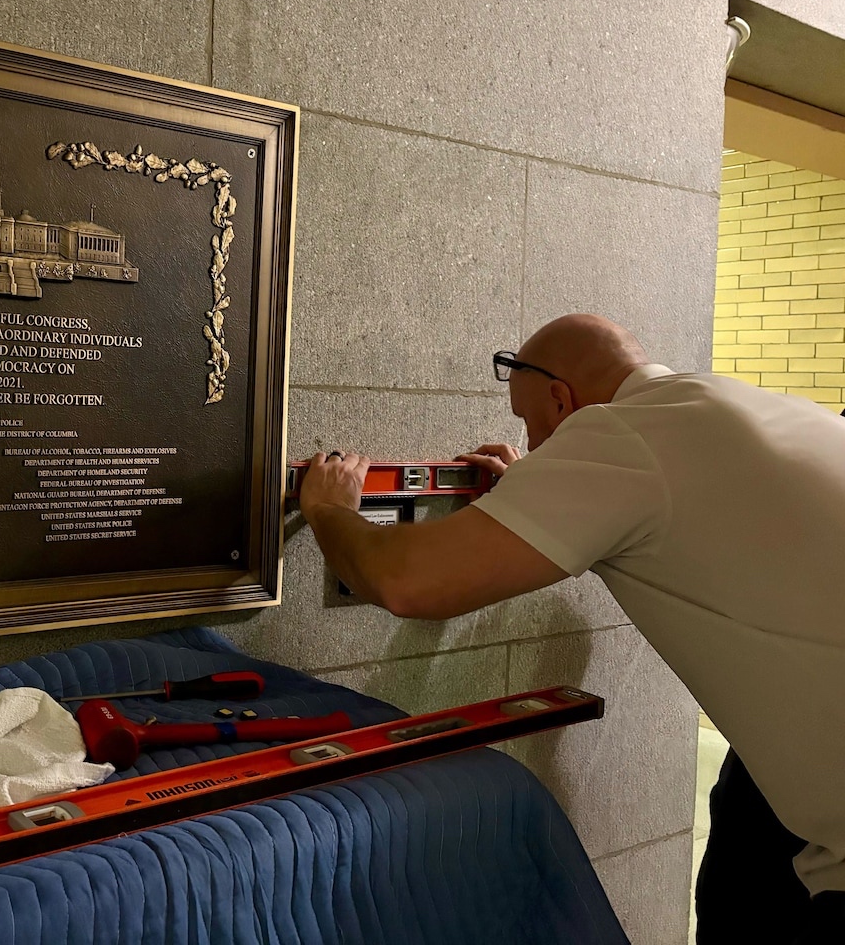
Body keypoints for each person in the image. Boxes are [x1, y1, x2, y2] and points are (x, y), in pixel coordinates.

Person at [297, 313, 845, 943]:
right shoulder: (756, 409)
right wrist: (532, 497)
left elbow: (406, 582)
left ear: (562, 399)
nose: (532, 443)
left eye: (530, 422)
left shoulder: (625, 432)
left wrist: (330, 509)